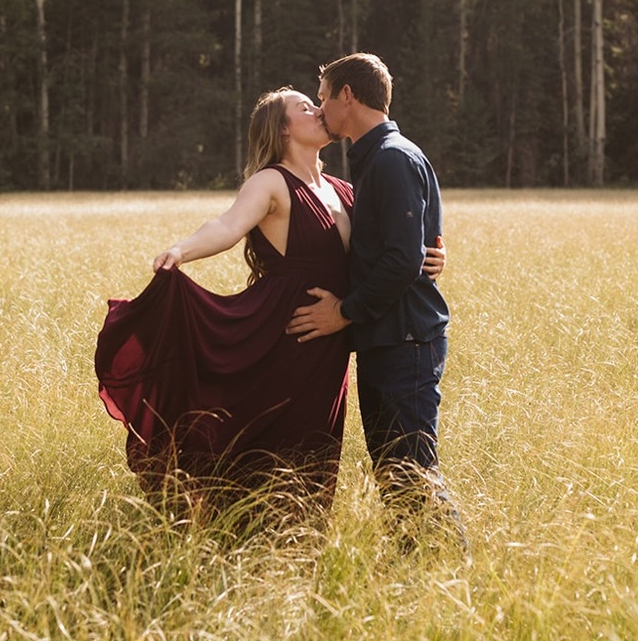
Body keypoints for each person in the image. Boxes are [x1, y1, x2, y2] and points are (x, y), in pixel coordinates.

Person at [95, 86, 444, 512]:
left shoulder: (343, 189)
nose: (318, 110)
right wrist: (182, 251)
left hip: (331, 340)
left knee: (315, 450)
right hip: (286, 335)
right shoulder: (271, 181)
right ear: (281, 130)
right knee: (272, 444)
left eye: (317, 102)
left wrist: (431, 255)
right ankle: (240, 533)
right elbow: (228, 225)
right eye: (304, 107)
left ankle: (296, 554)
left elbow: (390, 246)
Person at [286, 53, 466, 550]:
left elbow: (403, 260)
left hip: (405, 341)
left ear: (348, 95)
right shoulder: (376, 158)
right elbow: (416, 243)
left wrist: (341, 312)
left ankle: (450, 568)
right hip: (389, 338)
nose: (320, 108)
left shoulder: (391, 158)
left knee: (411, 470)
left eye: (323, 96)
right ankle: (417, 566)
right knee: (395, 471)